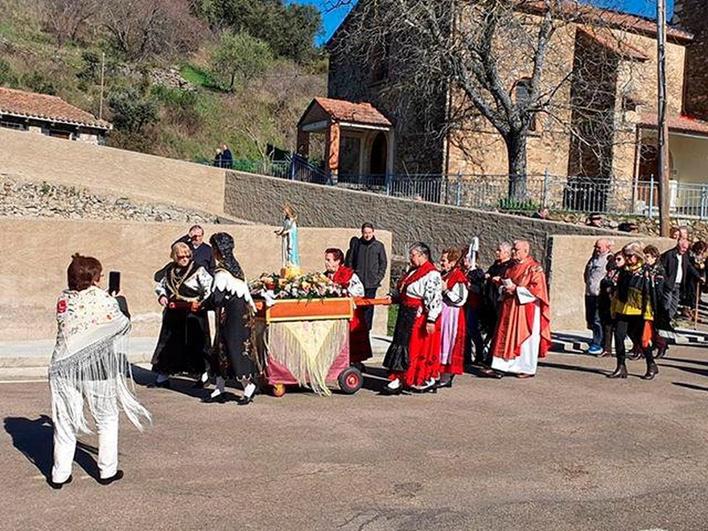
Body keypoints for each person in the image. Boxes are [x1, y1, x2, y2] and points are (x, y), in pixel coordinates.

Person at [49, 254, 150, 489]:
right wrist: (120, 301)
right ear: (92, 277)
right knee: (106, 418)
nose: (102, 278)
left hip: (63, 367)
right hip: (97, 369)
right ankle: (107, 470)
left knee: (64, 420)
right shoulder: (103, 300)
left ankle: (59, 474)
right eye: (99, 274)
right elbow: (123, 324)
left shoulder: (63, 299)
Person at [203, 233, 259, 405]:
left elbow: (217, 297)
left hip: (232, 320)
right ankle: (219, 388)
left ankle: (248, 386)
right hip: (239, 317)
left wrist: (202, 303)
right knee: (224, 349)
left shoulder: (222, 271)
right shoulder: (236, 267)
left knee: (231, 349)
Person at [382, 242, 442, 394]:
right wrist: (393, 296)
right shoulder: (412, 271)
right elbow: (402, 289)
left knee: (412, 348)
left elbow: (434, 297)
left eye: (413, 255)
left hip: (417, 316)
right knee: (400, 344)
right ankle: (398, 377)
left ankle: (408, 378)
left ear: (423, 255)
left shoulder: (431, 273)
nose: (410, 258)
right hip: (405, 313)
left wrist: (431, 319)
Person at [151, 242, 213, 388]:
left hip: (194, 314)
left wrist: (200, 303)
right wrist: (162, 296)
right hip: (173, 314)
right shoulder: (169, 271)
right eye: (181, 256)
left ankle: (203, 376)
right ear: (174, 256)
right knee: (168, 343)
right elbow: (161, 286)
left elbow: (209, 288)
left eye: (187, 255)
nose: (184, 258)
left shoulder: (199, 269)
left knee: (197, 344)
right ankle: (163, 376)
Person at [490, 240, 551, 378]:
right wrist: (502, 286)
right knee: (505, 334)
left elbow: (537, 290)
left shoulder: (534, 268)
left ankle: (526, 368)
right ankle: (501, 366)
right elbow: (506, 281)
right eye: (513, 249)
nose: (513, 252)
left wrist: (516, 289)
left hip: (526, 308)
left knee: (525, 338)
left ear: (525, 251)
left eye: (516, 250)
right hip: (509, 306)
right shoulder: (511, 267)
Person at [607, 242, 658, 380]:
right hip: (622, 309)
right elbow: (618, 290)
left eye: (630, 256)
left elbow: (649, 294)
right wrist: (614, 306)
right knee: (618, 336)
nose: (628, 259)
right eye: (626, 256)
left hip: (639, 311)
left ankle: (651, 363)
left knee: (641, 340)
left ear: (637, 255)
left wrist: (648, 314)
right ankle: (621, 366)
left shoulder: (646, 272)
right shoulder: (624, 271)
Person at [324, 248, 372, 367]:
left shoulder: (348, 274)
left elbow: (359, 291)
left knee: (351, 339)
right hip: (332, 314)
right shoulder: (324, 276)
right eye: (326, 260)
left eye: (328, 260)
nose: (326, 262)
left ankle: (355, 363)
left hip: (349, 313)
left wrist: (343, 291)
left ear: (338, 261)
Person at [345, 222, 388, 330]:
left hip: (371, 283)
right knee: (358, 306)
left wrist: (378, 278)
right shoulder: (358, 245)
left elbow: (383, 263)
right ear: (362, 233)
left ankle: (367, 329)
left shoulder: (379, 246)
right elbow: (351, 261)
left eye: (369, 232)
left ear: (373, 232)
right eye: (365, 233)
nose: (367, 235)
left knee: (369, 307)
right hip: (358, 282)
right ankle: (356, 328)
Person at [437, 248, 468, 388]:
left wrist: (446, 290)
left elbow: (461, 299)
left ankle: (446, 376)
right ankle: (439, 374)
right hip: (442, 312)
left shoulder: (458, 277)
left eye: (444, 260)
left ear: (452, 262)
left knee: (448, 344)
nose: (441, 263)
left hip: (452, 315)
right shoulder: (444, 274)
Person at [661, 238, 702, 321]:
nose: (685, 250)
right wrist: (666, 280)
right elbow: (662, 269)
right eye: (683, 248)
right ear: (678, 246)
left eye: (686, 248)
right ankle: (664, 320)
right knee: (667, 303)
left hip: (678, 284)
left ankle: (668, 319)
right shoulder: (669, 254)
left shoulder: (684, 256)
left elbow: (689, 267)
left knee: (674, 304)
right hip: (669, 283)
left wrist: (698, 276)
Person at [583, 239, 612, 355]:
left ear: (607, 247)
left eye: (599, 247)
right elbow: (587, 273)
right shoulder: (593, 258)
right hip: (590, 292)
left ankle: (598, 343)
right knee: (590, 319)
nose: (596, 249)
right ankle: (596, 340)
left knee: (597, 319)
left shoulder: (609, 259)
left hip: (600, 294)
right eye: (596, 247)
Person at [643, 245, 672, 359]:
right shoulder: (645, 269)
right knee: (646, 326)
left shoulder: (659, 271)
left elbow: (661, 289)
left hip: (656, 302)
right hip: (646, 301)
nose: (646, 259)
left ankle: (661, 345)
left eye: (648, 256)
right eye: (645, 256)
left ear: (655, 257)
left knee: (655, 327)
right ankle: (642, 348)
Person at [597, 251, 624, 357]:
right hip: (606, 303)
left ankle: (638, 348)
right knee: (607, 326)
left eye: (619, 259)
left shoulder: (624, 274)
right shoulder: (609, 275)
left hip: (618, 303)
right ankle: (607, 348)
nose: (616, 262)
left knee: (622, 330)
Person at [275, 204, 301, 269]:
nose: (283, 213)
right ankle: (287, 263)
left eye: (284, 211)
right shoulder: (286, 221)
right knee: (286, 252)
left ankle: (292, 263)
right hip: (286, 238)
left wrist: (287, 232)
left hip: (291, 239)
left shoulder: (292, 221)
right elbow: (284, 228)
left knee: (291, 251)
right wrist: (279, 232)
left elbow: (293, 230)